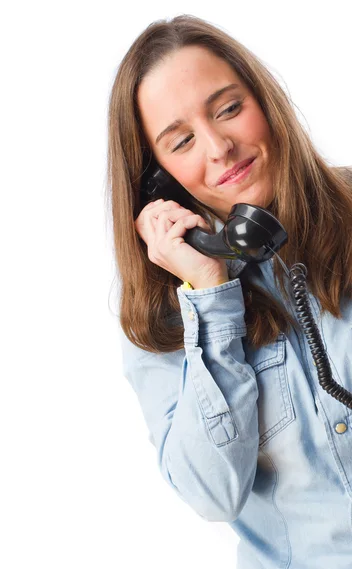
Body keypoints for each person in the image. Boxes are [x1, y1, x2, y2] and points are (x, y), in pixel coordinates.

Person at [106, 14, 352, 569]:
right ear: (159, 179)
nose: (219, 147)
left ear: (264, 102)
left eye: (229, 109)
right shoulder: (161, 313)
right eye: (183, 140)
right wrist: (211, 295)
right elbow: (212, 493)